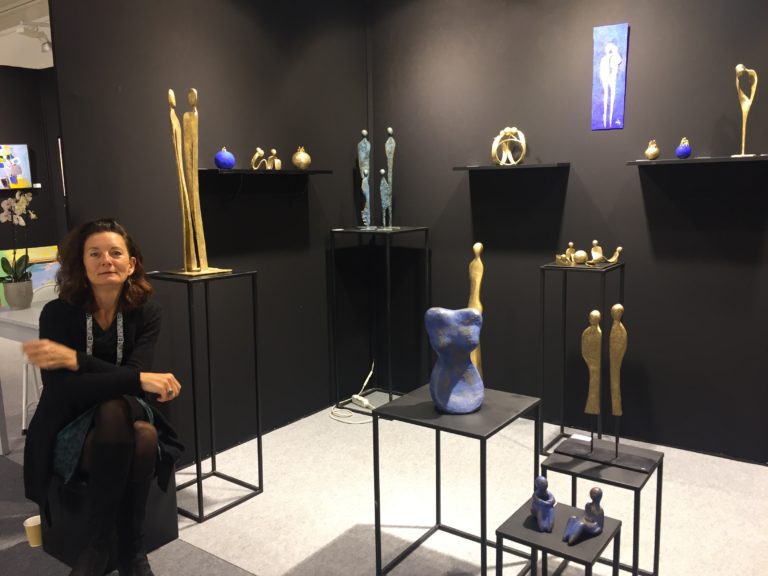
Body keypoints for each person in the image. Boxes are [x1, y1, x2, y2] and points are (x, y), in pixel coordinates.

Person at [23, 219, 183, 576]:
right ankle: (131, 551)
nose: (106, 260)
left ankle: (98, 548)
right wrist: (136, 378)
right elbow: (62, 389)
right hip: (69, 420)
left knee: (117, 409)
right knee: (144, 435)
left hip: (125, 410)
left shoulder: (147, 312)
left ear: (131, 264)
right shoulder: (57, 314)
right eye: (94, 254)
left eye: (115, 253)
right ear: (82, 264)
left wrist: (77, 361)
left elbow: (132, 383)